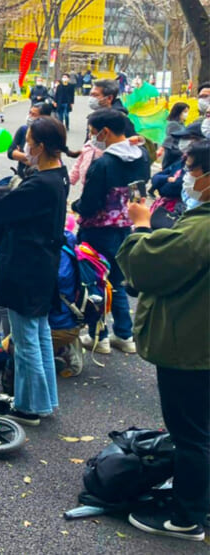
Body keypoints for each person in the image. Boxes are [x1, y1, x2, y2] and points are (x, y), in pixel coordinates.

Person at [117, 139, 209, 543]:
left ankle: (187, 517)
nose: (185, 177)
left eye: (191, 170)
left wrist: (140, 225)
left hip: (190, 348)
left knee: (190, 433)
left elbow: (148, 266)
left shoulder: (200, 228)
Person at [0, 117, 73, 426]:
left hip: (24, 265)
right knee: (38, 333)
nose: (25, 147)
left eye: (29, 142)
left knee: (25, 341)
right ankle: (43, 399)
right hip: (42, 263)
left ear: (40, 146)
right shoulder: (59, 175)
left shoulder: (38, 184)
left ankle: (28, 408)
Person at [72, 109, 150, 354]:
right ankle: (125, 335)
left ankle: (99, 336)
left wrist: (75, 207)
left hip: (96, 232)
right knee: (116, 281)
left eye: (93, 132)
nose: (92, 137)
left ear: (105, 131)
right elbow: (139, 193)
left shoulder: (103, 163)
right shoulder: (142, 157)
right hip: (125, 227)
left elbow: (89, 203)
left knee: (95, 281)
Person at [8, 103, 42, 178]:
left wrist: (20, 156)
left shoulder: (49, 134)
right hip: (22, 175)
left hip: (39, 177)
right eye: (30, 113)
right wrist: (30, 159)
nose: (30, 116)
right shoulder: (23, 130)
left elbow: (43, 162)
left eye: (34, 115)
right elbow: (10, 152)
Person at [160, 102, 190, 168]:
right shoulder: (174, 124)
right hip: (174, 153)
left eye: (187, 112)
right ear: (178, 112)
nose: (186, 114)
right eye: (185, 111)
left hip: (179, 152)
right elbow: (169, 139)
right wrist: (162, 148)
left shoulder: (181, 124)